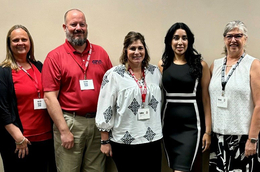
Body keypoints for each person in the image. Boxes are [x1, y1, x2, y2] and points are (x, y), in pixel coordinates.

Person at [42, 9, 113, 172]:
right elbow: (50, 97)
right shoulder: (55, 56)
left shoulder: (100, 53)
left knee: (96, 170)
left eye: (82, 24)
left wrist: (106, 129)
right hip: (70, 122)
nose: (78, 28)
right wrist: (64, 131)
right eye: (73, 24)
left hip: (98, 124)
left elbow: (111, 90)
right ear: (64, 27)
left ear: (87, 26)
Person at [0, 25, 56, 172]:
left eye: (24, 39)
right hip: (19, 141)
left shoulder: (39, 66)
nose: (20, 43)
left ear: (30, 42)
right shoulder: (2, 72)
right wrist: (18, 138)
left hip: (45, 138)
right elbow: (2, 109)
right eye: (15, 40)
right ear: (9, 44)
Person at [96, 31, 163, 172]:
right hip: (125, 141)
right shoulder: (114, 75)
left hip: (152, 139)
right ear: (125, 50)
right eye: (132, 48)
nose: (137, 52)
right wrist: (104, 140)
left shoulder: (155, 72)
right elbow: (105, 107)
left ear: (145, 50)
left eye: (140, 48)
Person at [208, 20, 260, 172]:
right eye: (229, 36)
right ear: (224, 39)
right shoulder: (215, 65)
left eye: (238, 36)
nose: (233, 40)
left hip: (244, 139)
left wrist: (252, 139)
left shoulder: (253, 64)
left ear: (245, 39)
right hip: (219, 138)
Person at [158, 22, 211, 172]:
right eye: (176, 38)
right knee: (176, 168)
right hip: (168, 126)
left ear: (189, 41)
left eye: (184, 38)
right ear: (170, 41)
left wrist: (208, 131)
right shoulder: (163, 65)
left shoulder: (201, 65)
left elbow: (206, 101)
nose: (180, 42)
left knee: (182, 169)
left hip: (192, 127)